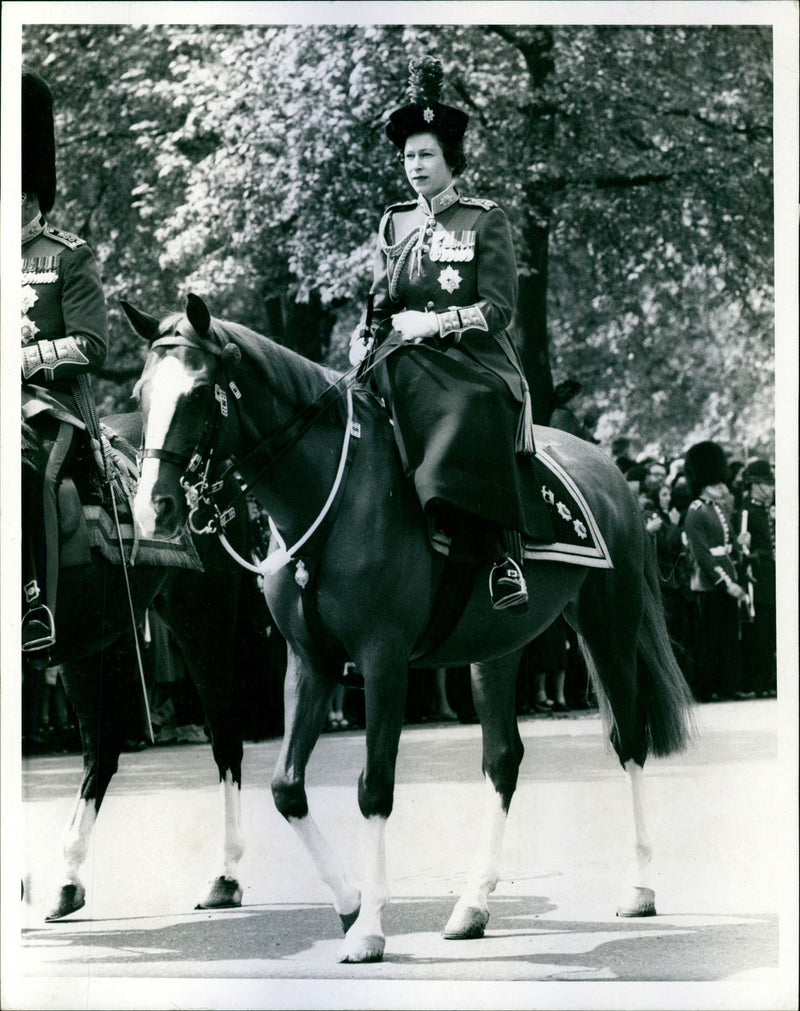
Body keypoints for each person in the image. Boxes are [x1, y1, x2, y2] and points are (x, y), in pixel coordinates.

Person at [350, 56, 553, 612]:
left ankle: (496, 554)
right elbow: (380, 297)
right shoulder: (394, 221)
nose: (414, 166)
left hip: (474, 359)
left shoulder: (484, 218)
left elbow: (500, 309)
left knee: (472, 404)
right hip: (402, 353)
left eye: (425, 155)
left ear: (450, 160)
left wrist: (437, 322)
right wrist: (365, 333)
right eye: (408, 156)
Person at [20, 67, 109, 662]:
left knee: (23, 472)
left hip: (47, 410)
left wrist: (24, 357)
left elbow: (92, 347)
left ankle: (34, 603)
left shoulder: (66, 257)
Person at [682, 441, 751, 702]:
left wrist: (739, 541)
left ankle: (728, 684)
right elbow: (704, 557)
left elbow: (728, 543)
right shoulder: (695, 512)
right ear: (706, 482)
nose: (723, 487)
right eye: (717, 483)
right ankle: (706, 687)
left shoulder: (719, 508)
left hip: (725, 577)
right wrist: (727, 584)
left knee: (728, 636)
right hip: (708, 584)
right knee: (709, 639)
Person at [736, 459, 776, 697]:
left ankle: (767, 679)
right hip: (757, 579)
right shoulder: (746, 512)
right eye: (767, 484)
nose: (771, 489)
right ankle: (757, 681)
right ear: (755, 485)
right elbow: (744, 553)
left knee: (770, 629)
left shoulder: (764, 511)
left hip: (770, 579)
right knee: (759, 631)